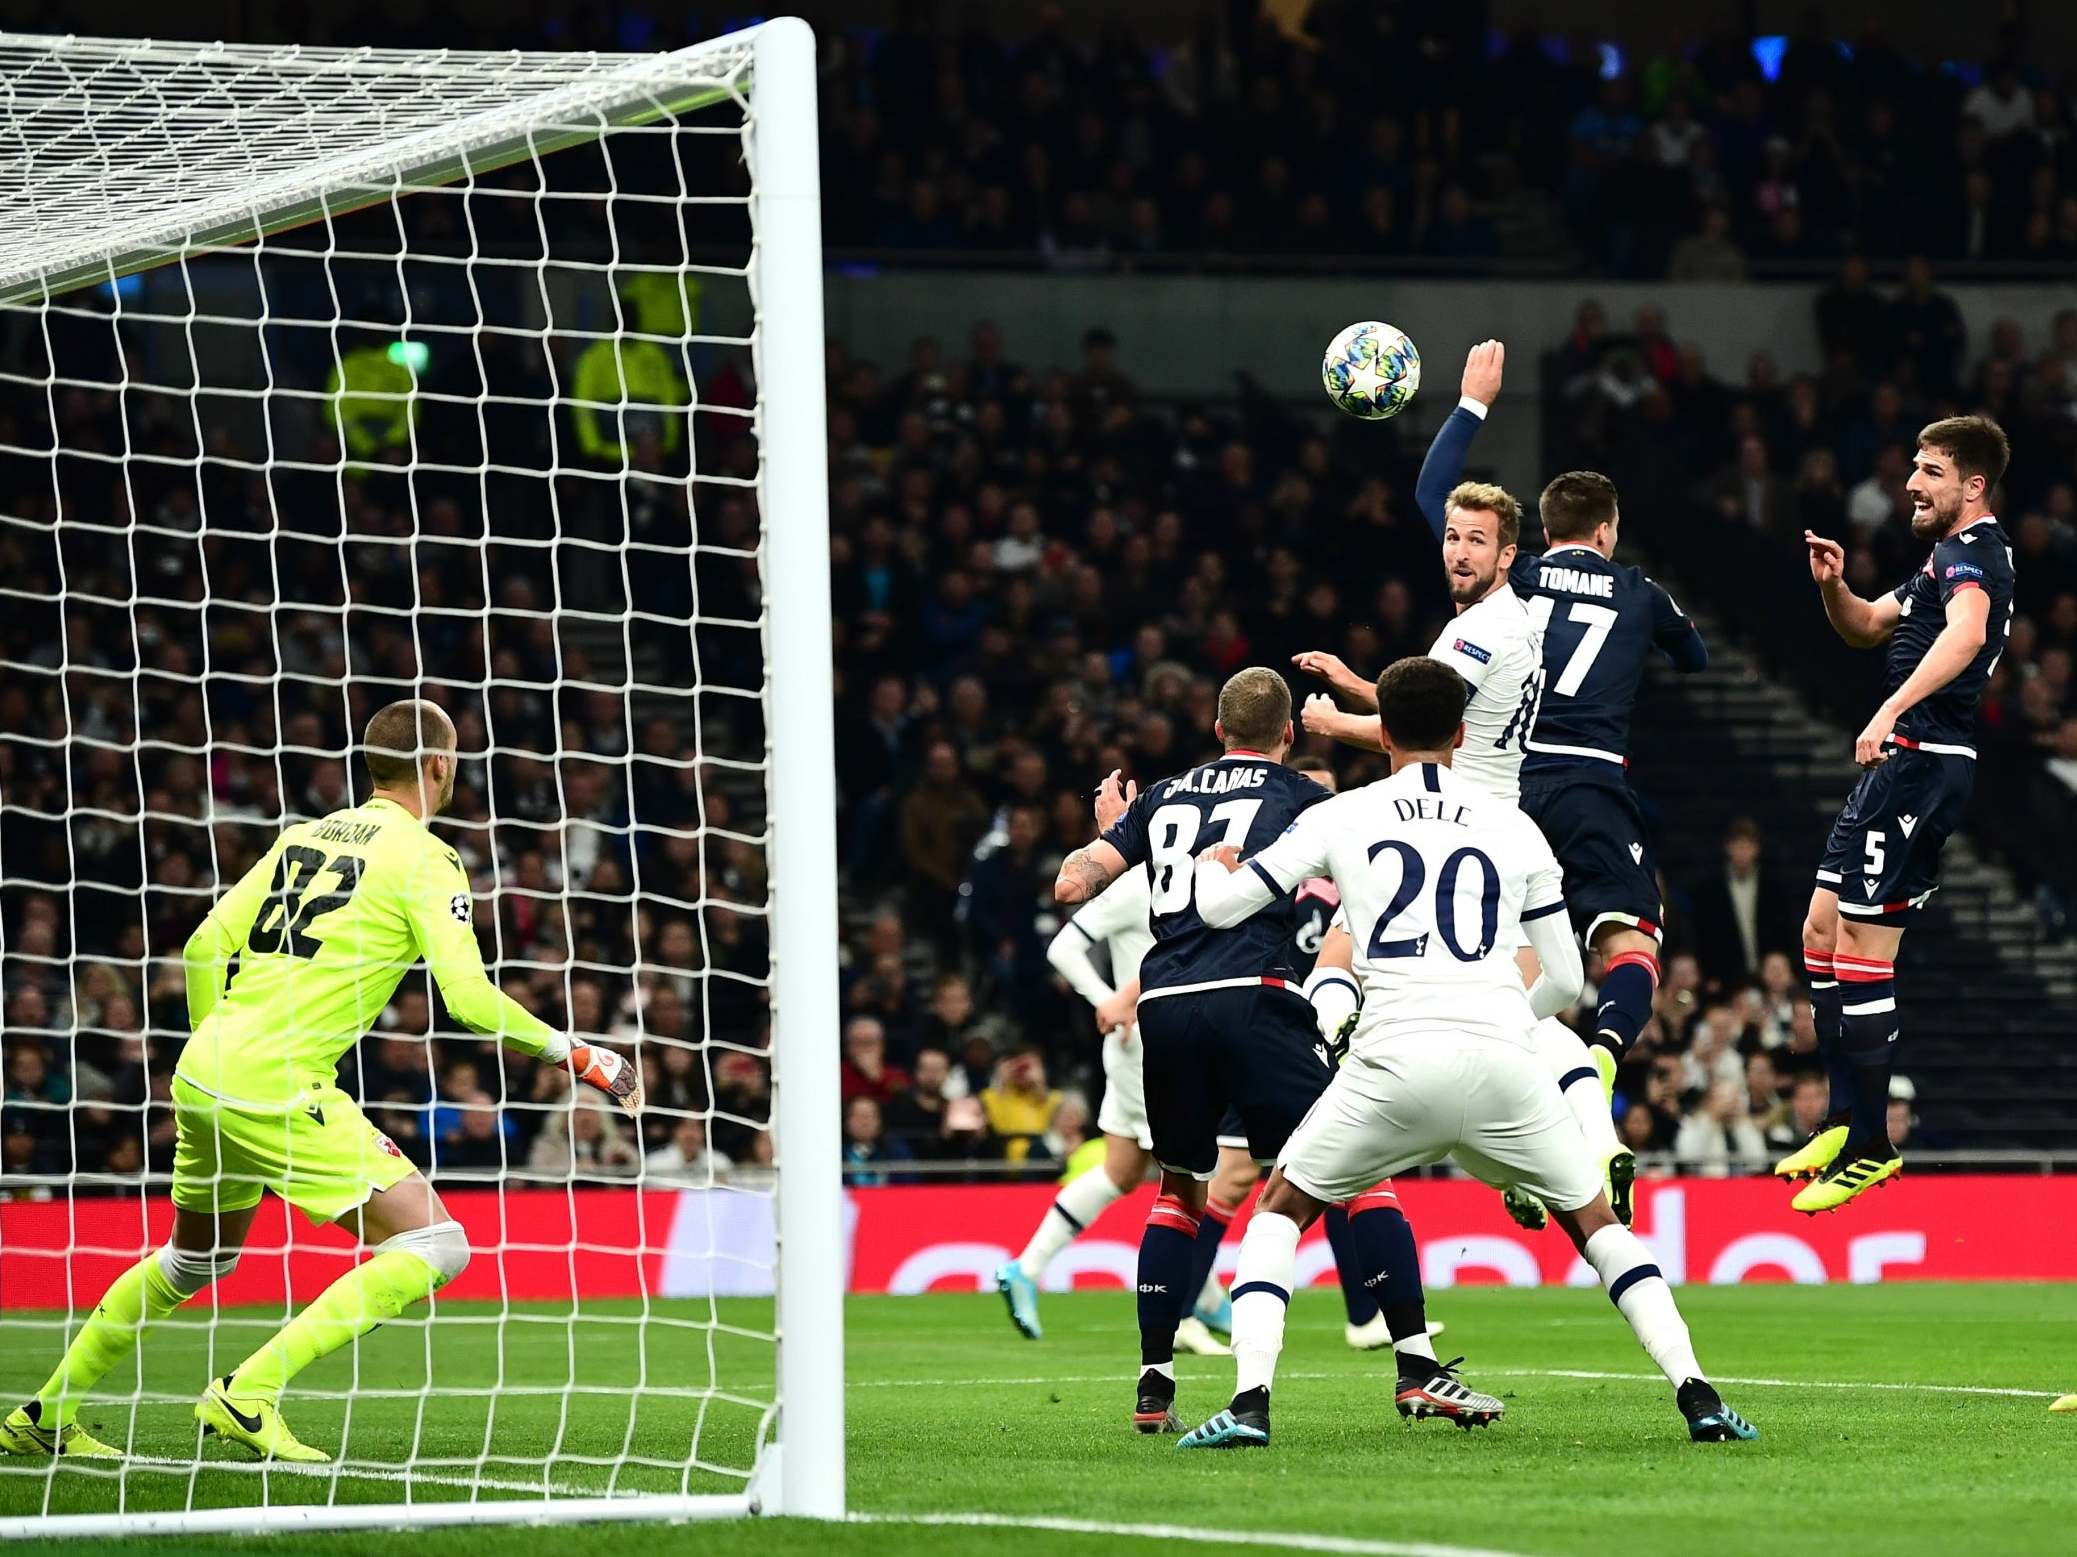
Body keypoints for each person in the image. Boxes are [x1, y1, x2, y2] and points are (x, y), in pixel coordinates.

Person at [0, 699, 638, 1463]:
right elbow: (466, 1000)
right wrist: (582, 1054)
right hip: (277, 1081)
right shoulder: (426, 858)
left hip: (205, 1070)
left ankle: (45, 1411)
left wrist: (214, 1045)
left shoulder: (303, 835)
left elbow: (205, 946)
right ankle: (248, 1391)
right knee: (437, 1243)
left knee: (195, 1259)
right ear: (440, 765)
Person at [1176, 658, 1756, 1450]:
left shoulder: (1341, 815)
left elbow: (1220, 910)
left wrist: (1215, 869)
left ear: (1379, 731)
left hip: (1391, 1064)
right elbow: (1565, 974)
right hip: (1501, 1061)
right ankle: (1697, 1392)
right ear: (1459, 733)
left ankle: (1249, 1406)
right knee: (1594, 1222)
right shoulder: (1513, 825)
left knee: (1279, 1208)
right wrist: (1502, 1019)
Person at [1053, 669, 1446, 1434]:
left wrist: (1111, 833)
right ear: (1287, 736)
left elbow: (1073, 884)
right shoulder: (1301, 797)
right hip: (1256, 995)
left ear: (1216, 730)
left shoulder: (1163, 795)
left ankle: (1153, 1387)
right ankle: (1413, 1362)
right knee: (1360, 1167)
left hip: (1164, 1008)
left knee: (1179, 1190)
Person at [1295, 444, 1631, 1227]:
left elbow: (1407, 726)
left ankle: (1327, 1055)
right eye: (1451, 536)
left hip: (1446, 828)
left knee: (1340, 954)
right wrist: (1353, 679)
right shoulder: (1489, 624)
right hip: (1494, 827)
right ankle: (1587, 1135)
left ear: (1508, 553)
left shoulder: (1478, 629)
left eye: (1476, 539)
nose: (1458, 549)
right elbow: (1420, 698)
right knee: (1516, 1013)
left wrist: (1326, 719)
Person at [1412, 340, 1708, 1107]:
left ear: (1538, 535)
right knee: (1630, 940)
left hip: (1504, 788)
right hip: (1589, 780)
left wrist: (1473, 401)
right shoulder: (1638, 590)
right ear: (1606, 530)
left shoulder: (1517, 580)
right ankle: (1604, 1052)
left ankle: (1486, 1088)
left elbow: (1432, 497)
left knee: (1512, 960)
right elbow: (1696, 656)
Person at [1783, 417, 2013, 1212]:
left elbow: (1968, 635)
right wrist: (1830, 586)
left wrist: (1890, 708)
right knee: (1818, 929)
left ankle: (1873, 1144)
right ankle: (1844, 1117)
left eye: (1927, 470)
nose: (1910, 482)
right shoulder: (1938, 560)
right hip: (1898, 762)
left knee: (1862, 947)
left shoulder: (1974, 555)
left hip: (1923, 764)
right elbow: (1867, 625)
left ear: (1970, 485)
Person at [992, 866, 1225, 1357]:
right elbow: (1062, 948)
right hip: (1146, 1046)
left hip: (1158, 1044)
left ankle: (1025, 1270)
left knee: (1121, 1172)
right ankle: (1192, 1305)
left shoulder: (1193, 872)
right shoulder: (1140, 883)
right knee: (1189, 1172)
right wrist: (1109, 1002)